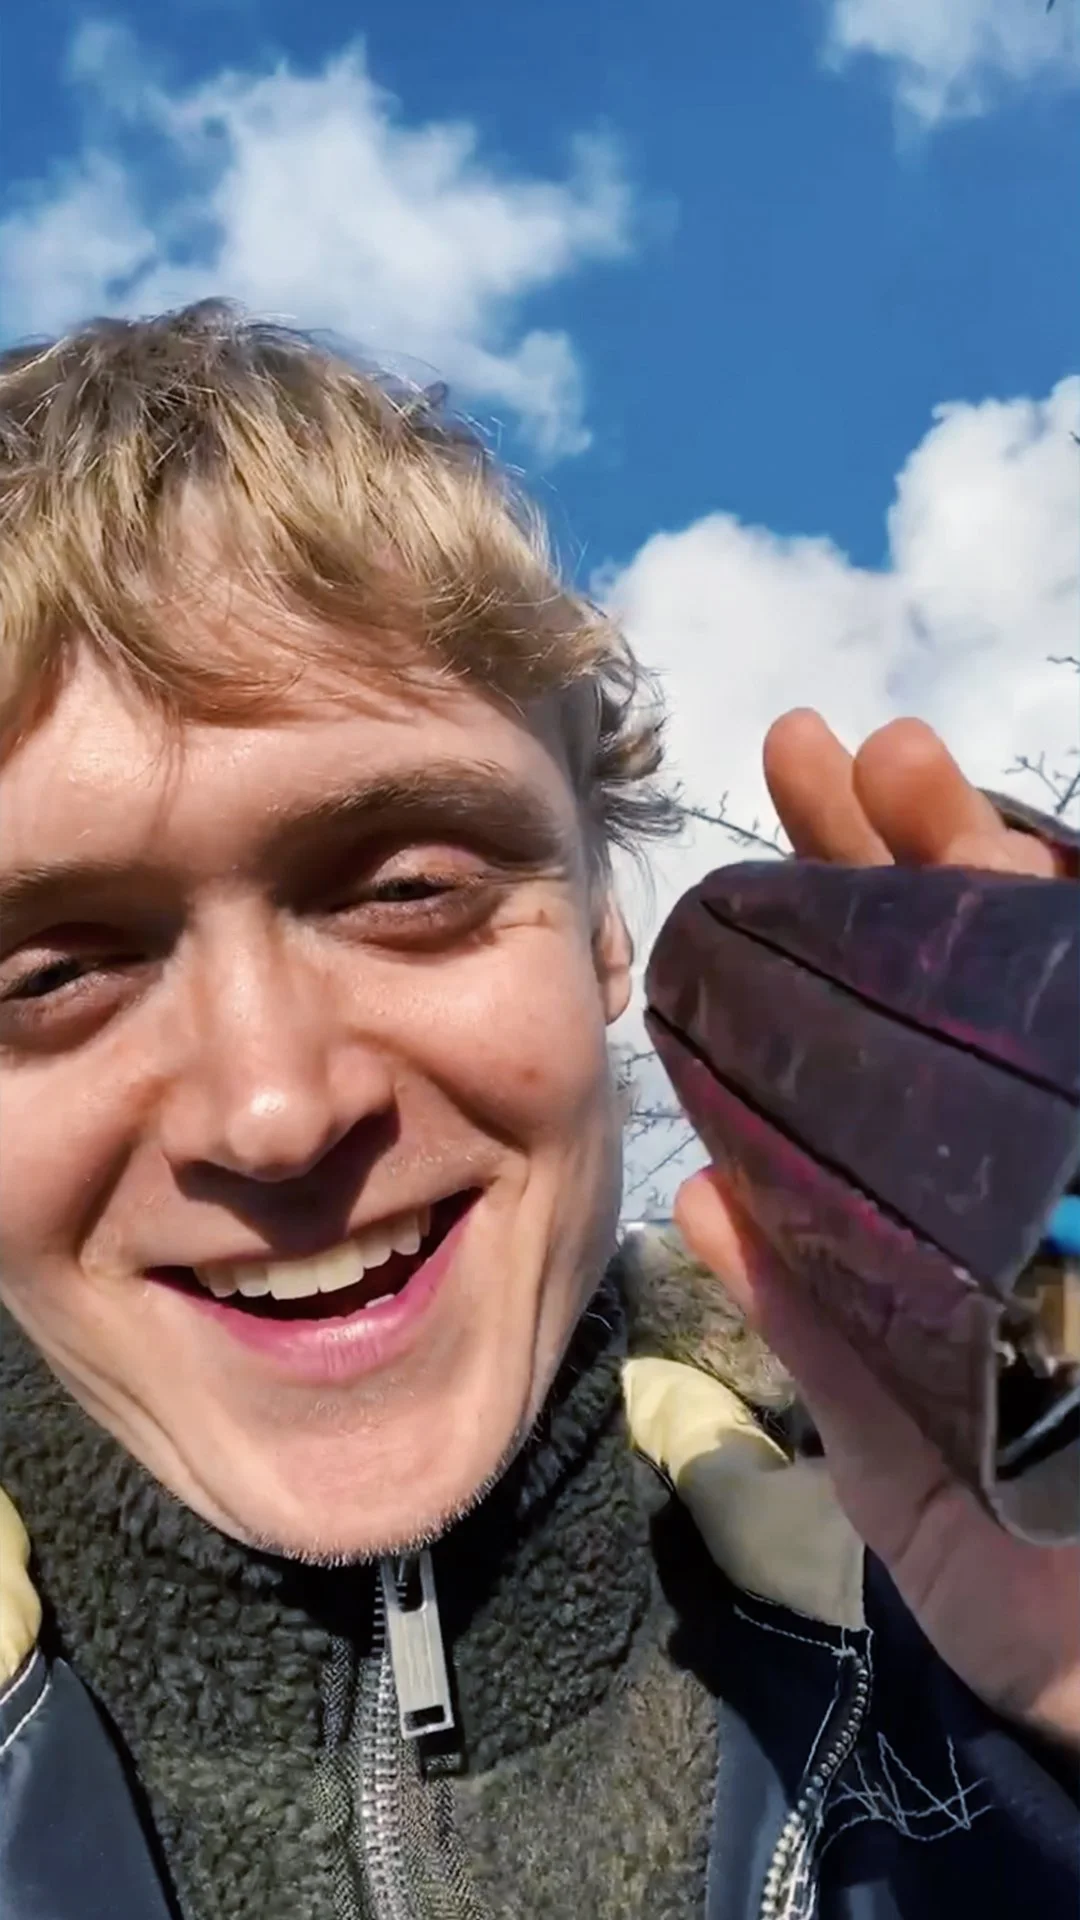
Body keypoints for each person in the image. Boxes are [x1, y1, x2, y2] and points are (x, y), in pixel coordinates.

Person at [0, 301, 1075, 1920]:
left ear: (599, 942)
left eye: (407, 888)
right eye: (50, 973)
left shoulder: (988, 1648)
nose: (276, 1113)